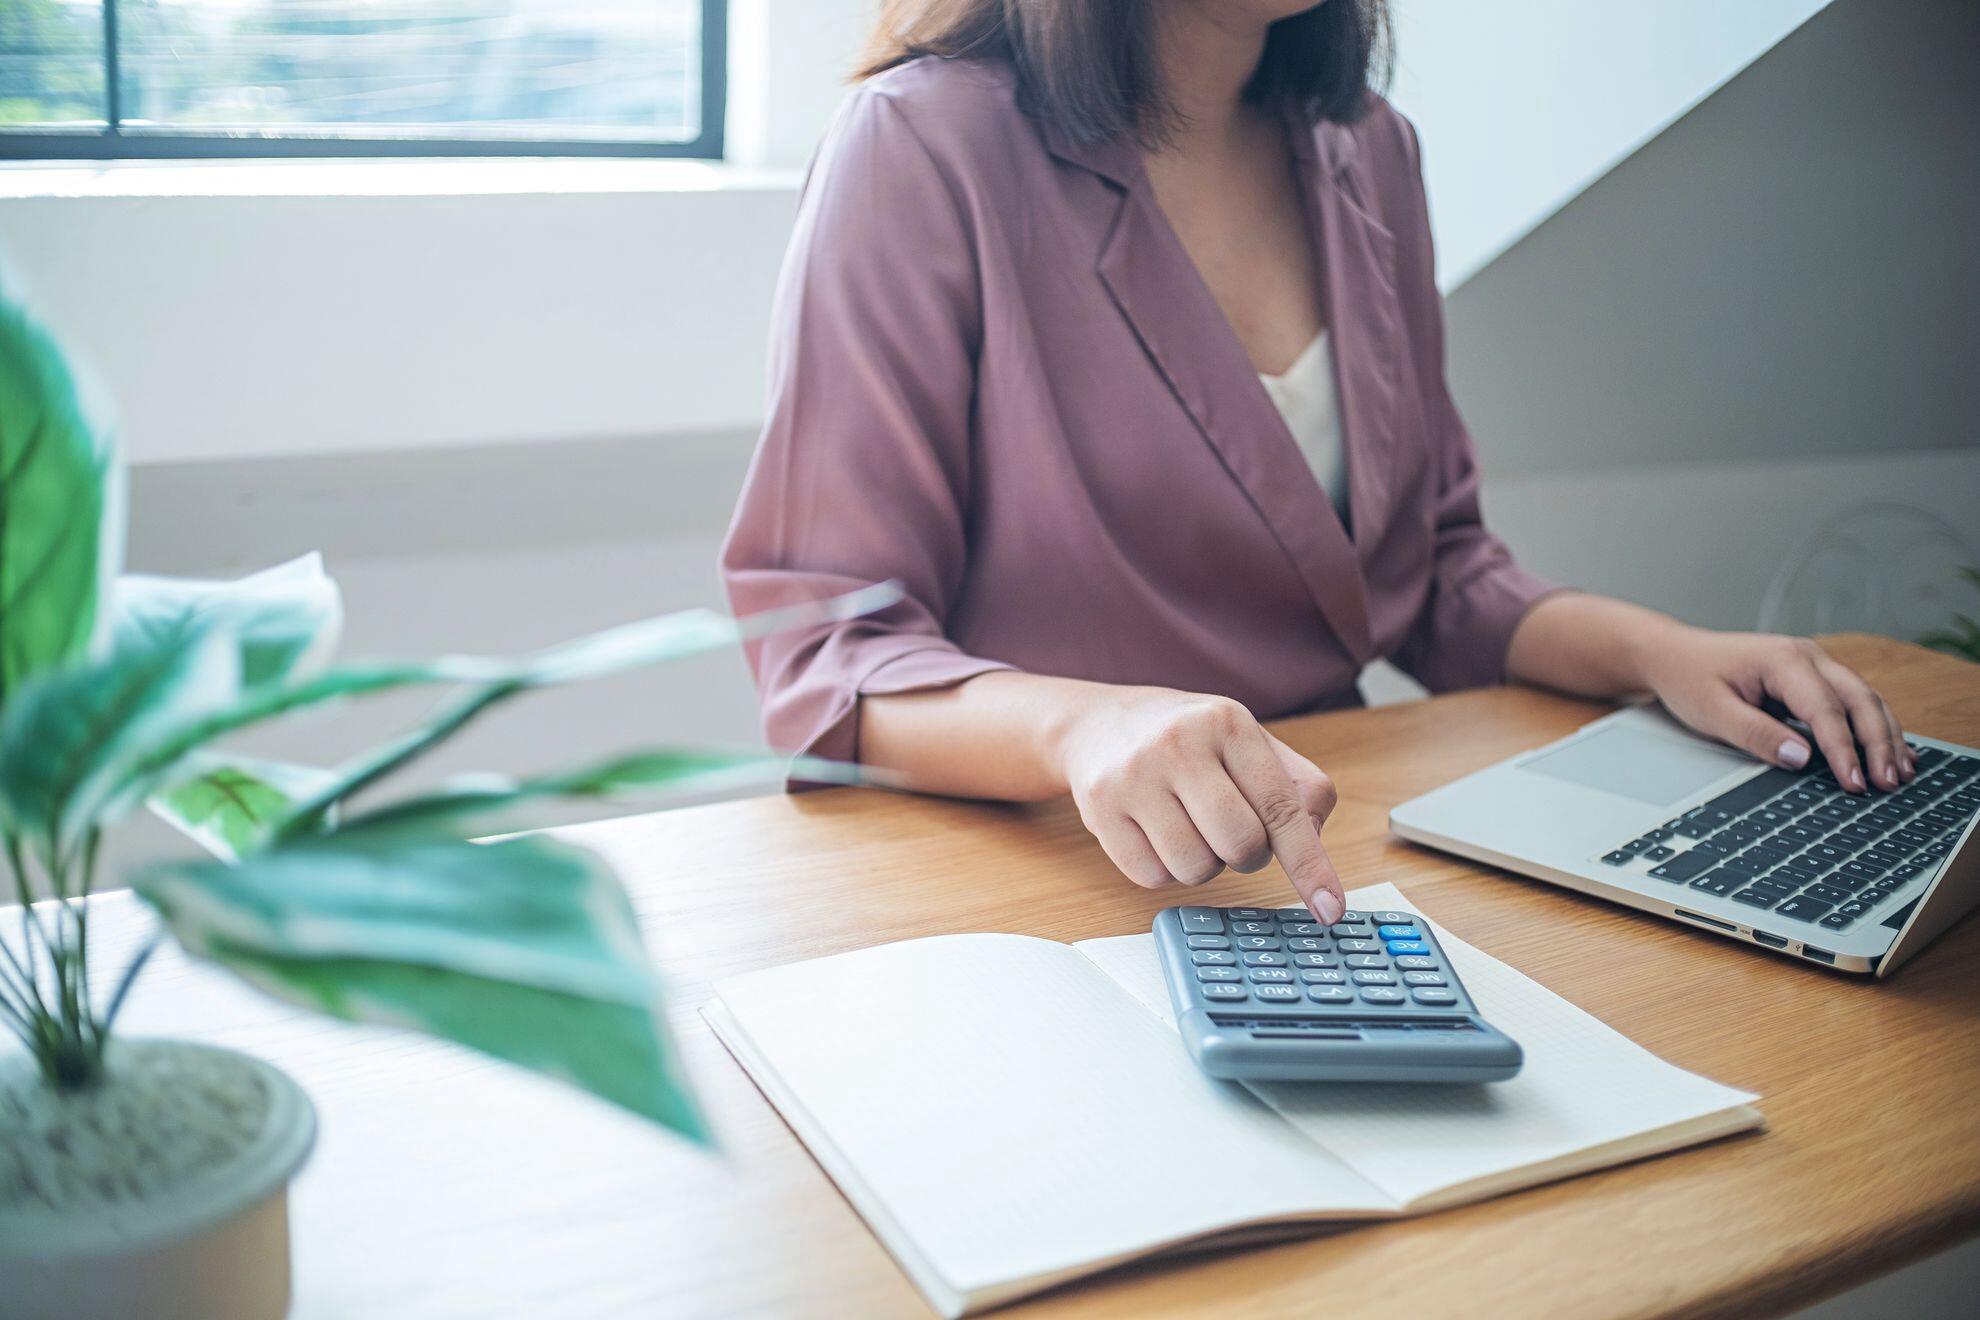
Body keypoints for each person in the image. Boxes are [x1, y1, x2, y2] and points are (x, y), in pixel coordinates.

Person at [720, 0, 1913, 923]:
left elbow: (1434, 575)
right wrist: (1080, 730)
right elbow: (829, 654)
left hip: (1313, 857)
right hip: (1029, 882)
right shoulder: (922, 143)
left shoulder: (1369, 149)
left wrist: (1666, 654)